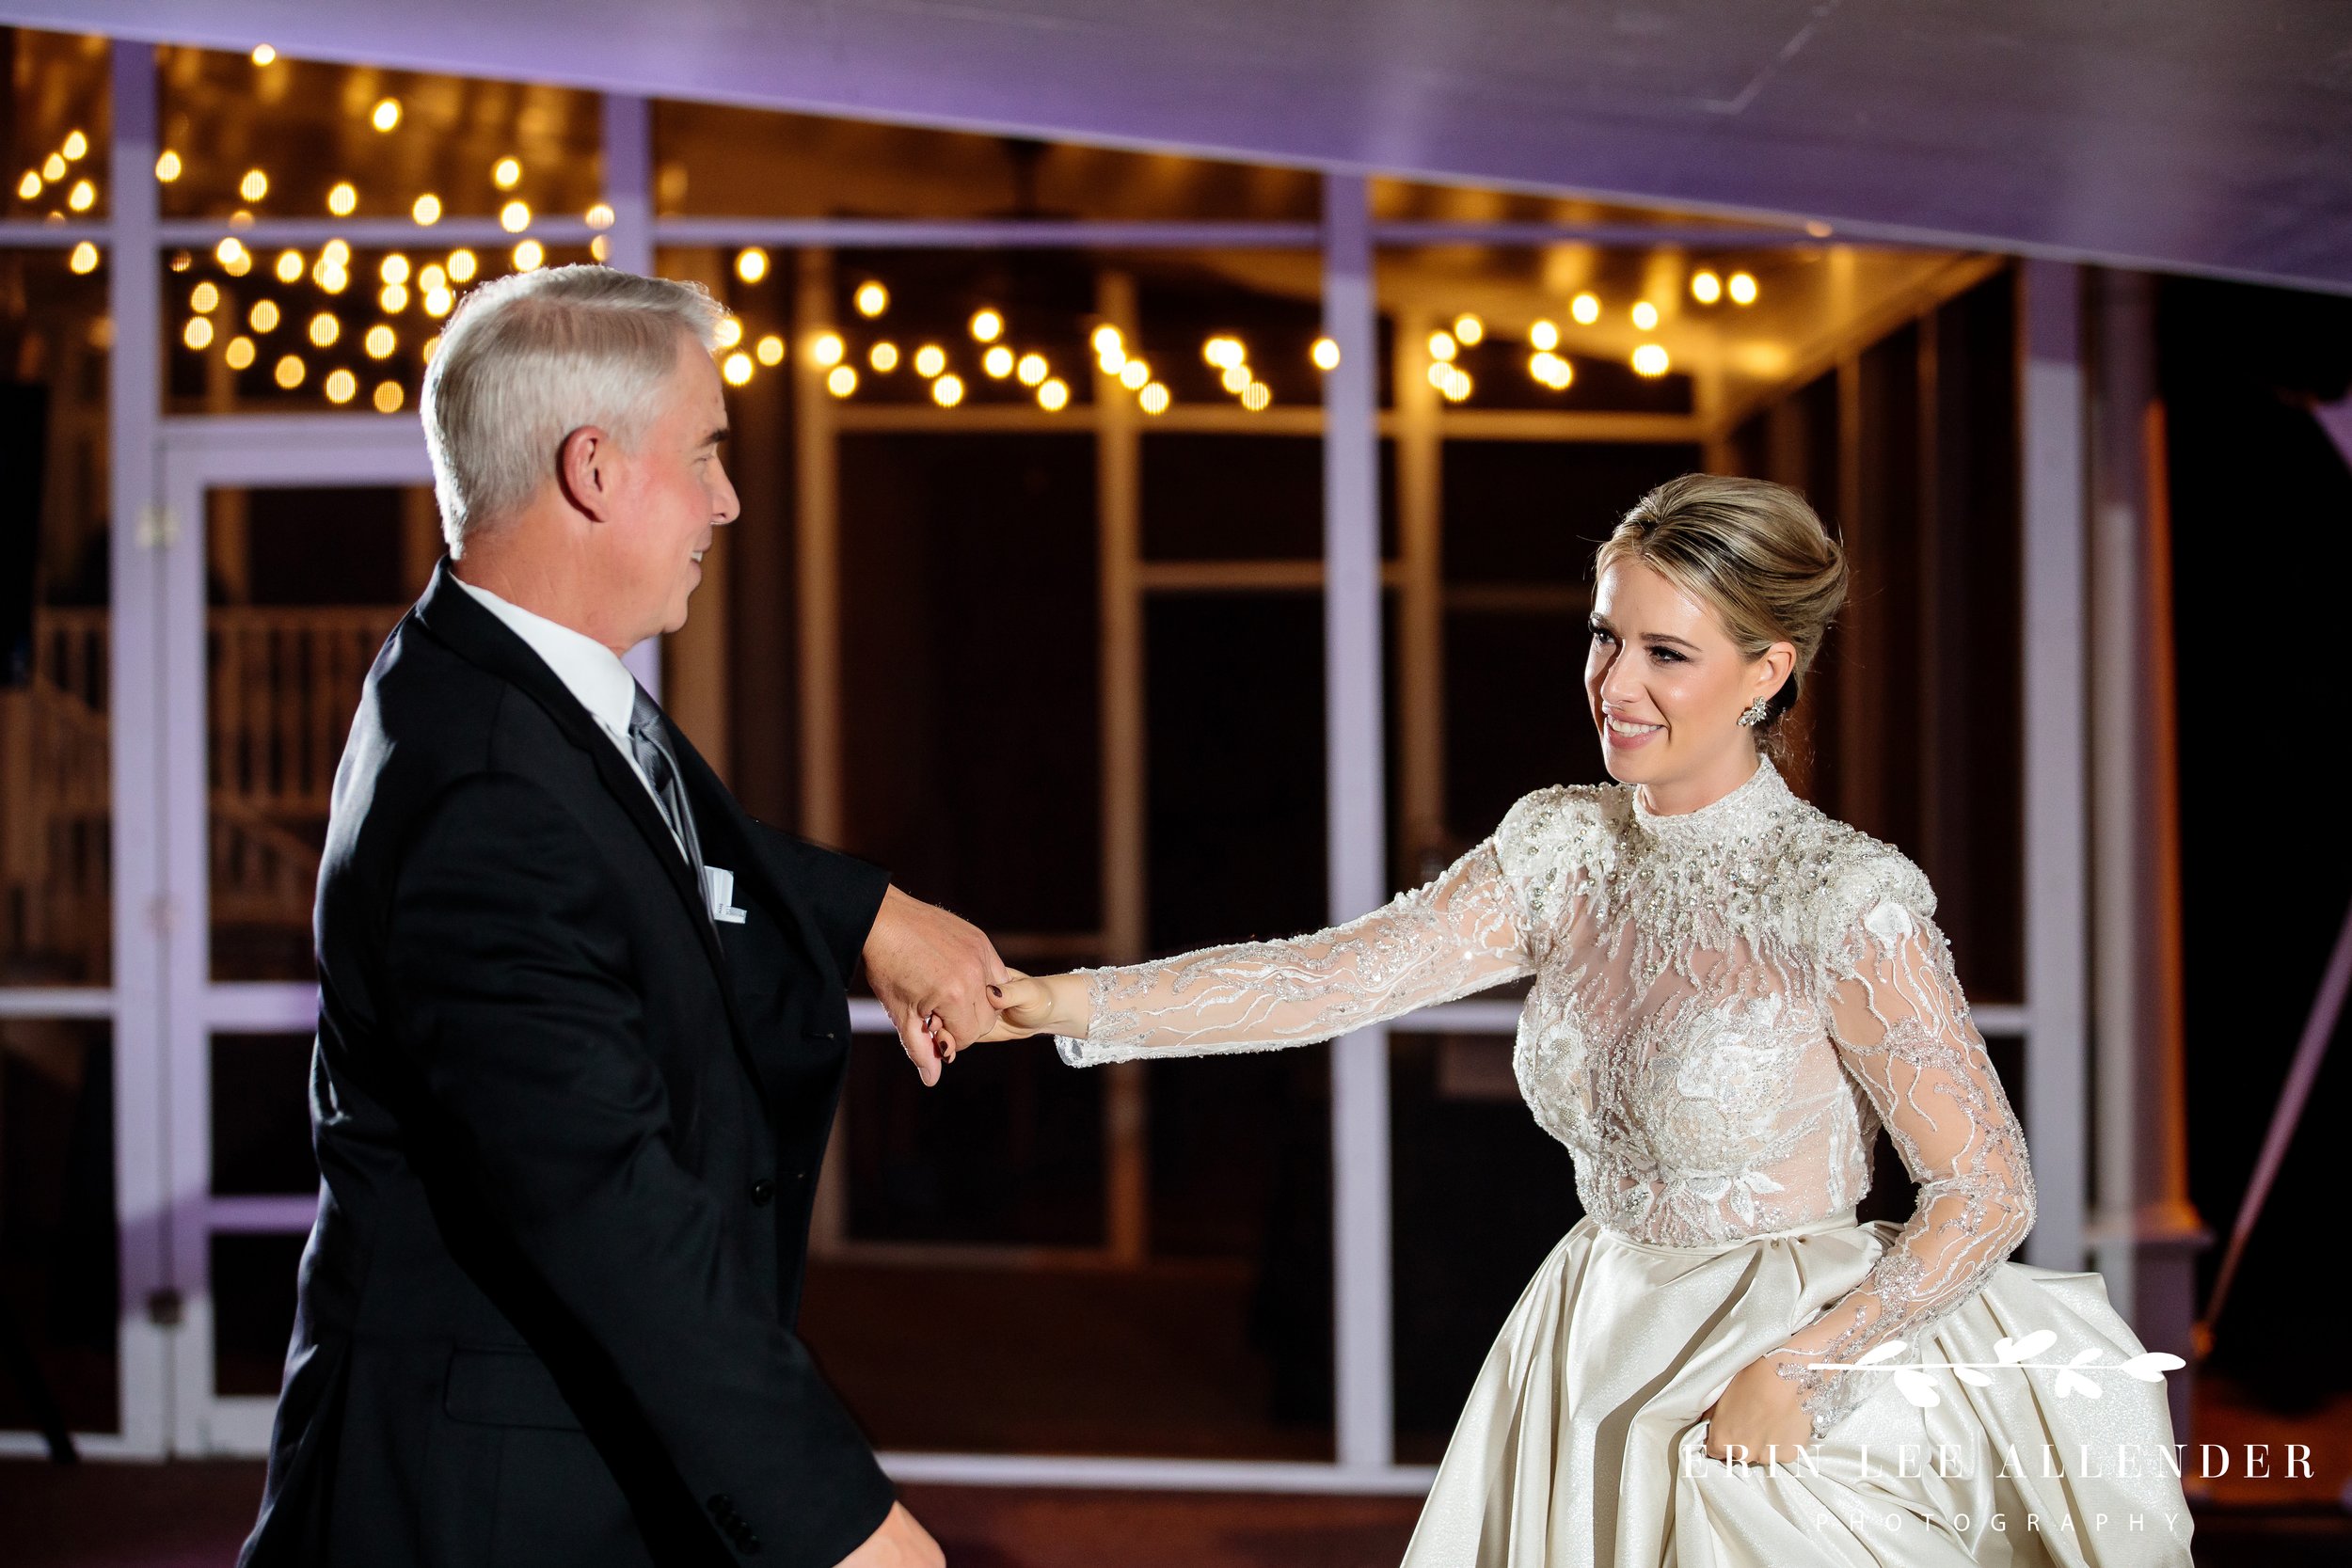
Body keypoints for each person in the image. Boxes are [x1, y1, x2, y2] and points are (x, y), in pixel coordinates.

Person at [977, 475, 2193, 1566]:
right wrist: (1068, 1004)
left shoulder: (1843, 901)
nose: (1613, 686)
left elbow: (1987, 1191)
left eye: (1668, 653)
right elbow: (1333, 978)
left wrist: (1804, 1370)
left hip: (1777, 1360)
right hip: (1590, 1334)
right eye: (1606, 637)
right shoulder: (1561, 848)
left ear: (1768, 670)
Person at [240, 266, 999, 1568]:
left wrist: (865, 912)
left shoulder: (505, 677)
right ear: (594, 470)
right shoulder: (484, 789)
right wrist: (847, 1529)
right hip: (480, 1512)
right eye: (704, 454)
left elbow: (650, 848)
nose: (729, 500)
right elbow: (614, 1218)